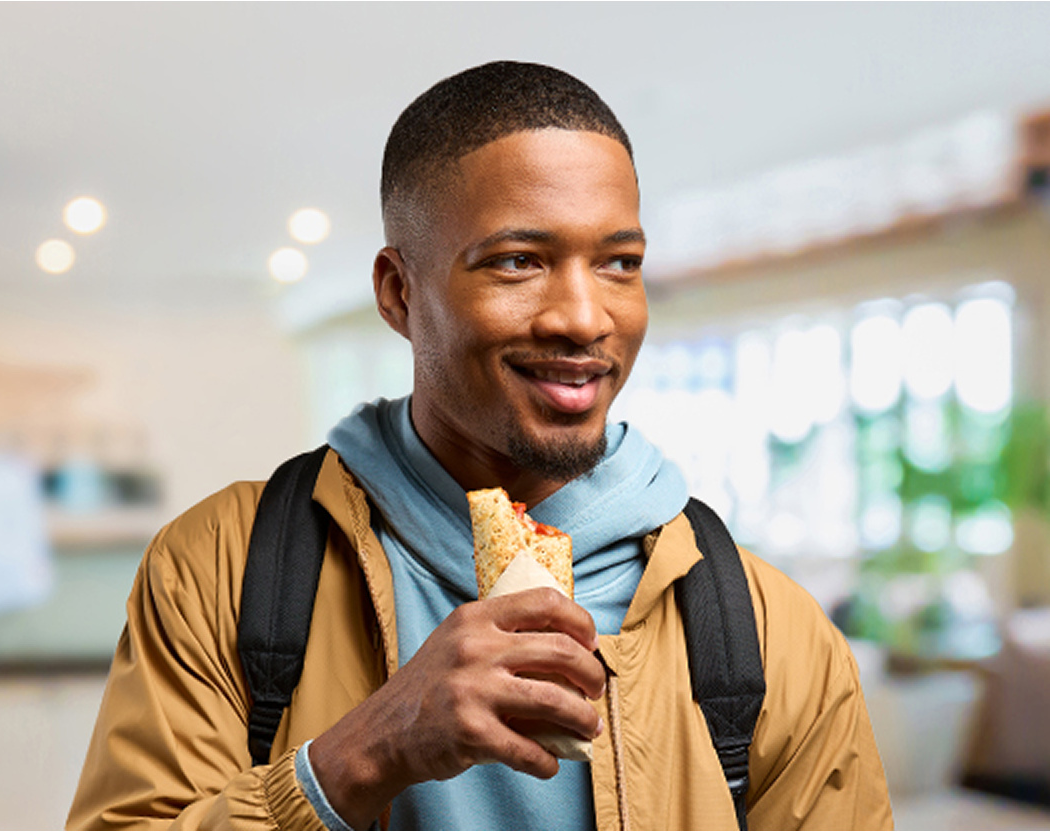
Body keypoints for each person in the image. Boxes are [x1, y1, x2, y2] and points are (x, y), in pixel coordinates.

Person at [67, 60, 893, 831]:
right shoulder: (223, 567)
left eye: (620, 262)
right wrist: (358, 757)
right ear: (398, 292)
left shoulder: (766, 630)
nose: (582, 317)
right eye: (518, 260)